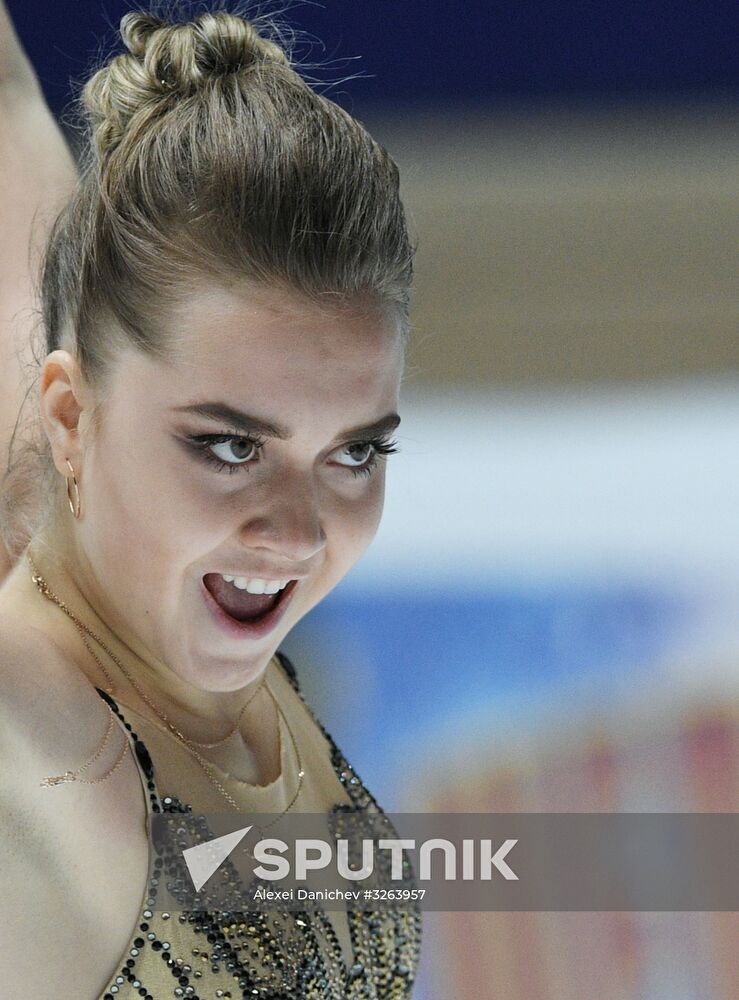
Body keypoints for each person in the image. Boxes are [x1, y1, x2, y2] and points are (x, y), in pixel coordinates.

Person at [0, 3, 422, 997]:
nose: (299, 535)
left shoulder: (185, 635)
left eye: (355, 453)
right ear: (70, 415)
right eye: (232, 447)